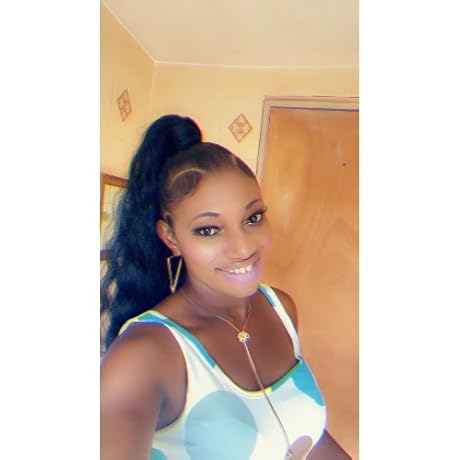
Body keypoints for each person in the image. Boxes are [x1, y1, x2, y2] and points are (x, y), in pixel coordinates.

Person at [101, 115, 335, 460]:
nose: (243, 247)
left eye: (252, 218)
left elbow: (299, 434)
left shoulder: (280, 309)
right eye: (208, 230)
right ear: (171, 237)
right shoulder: (145, 354)